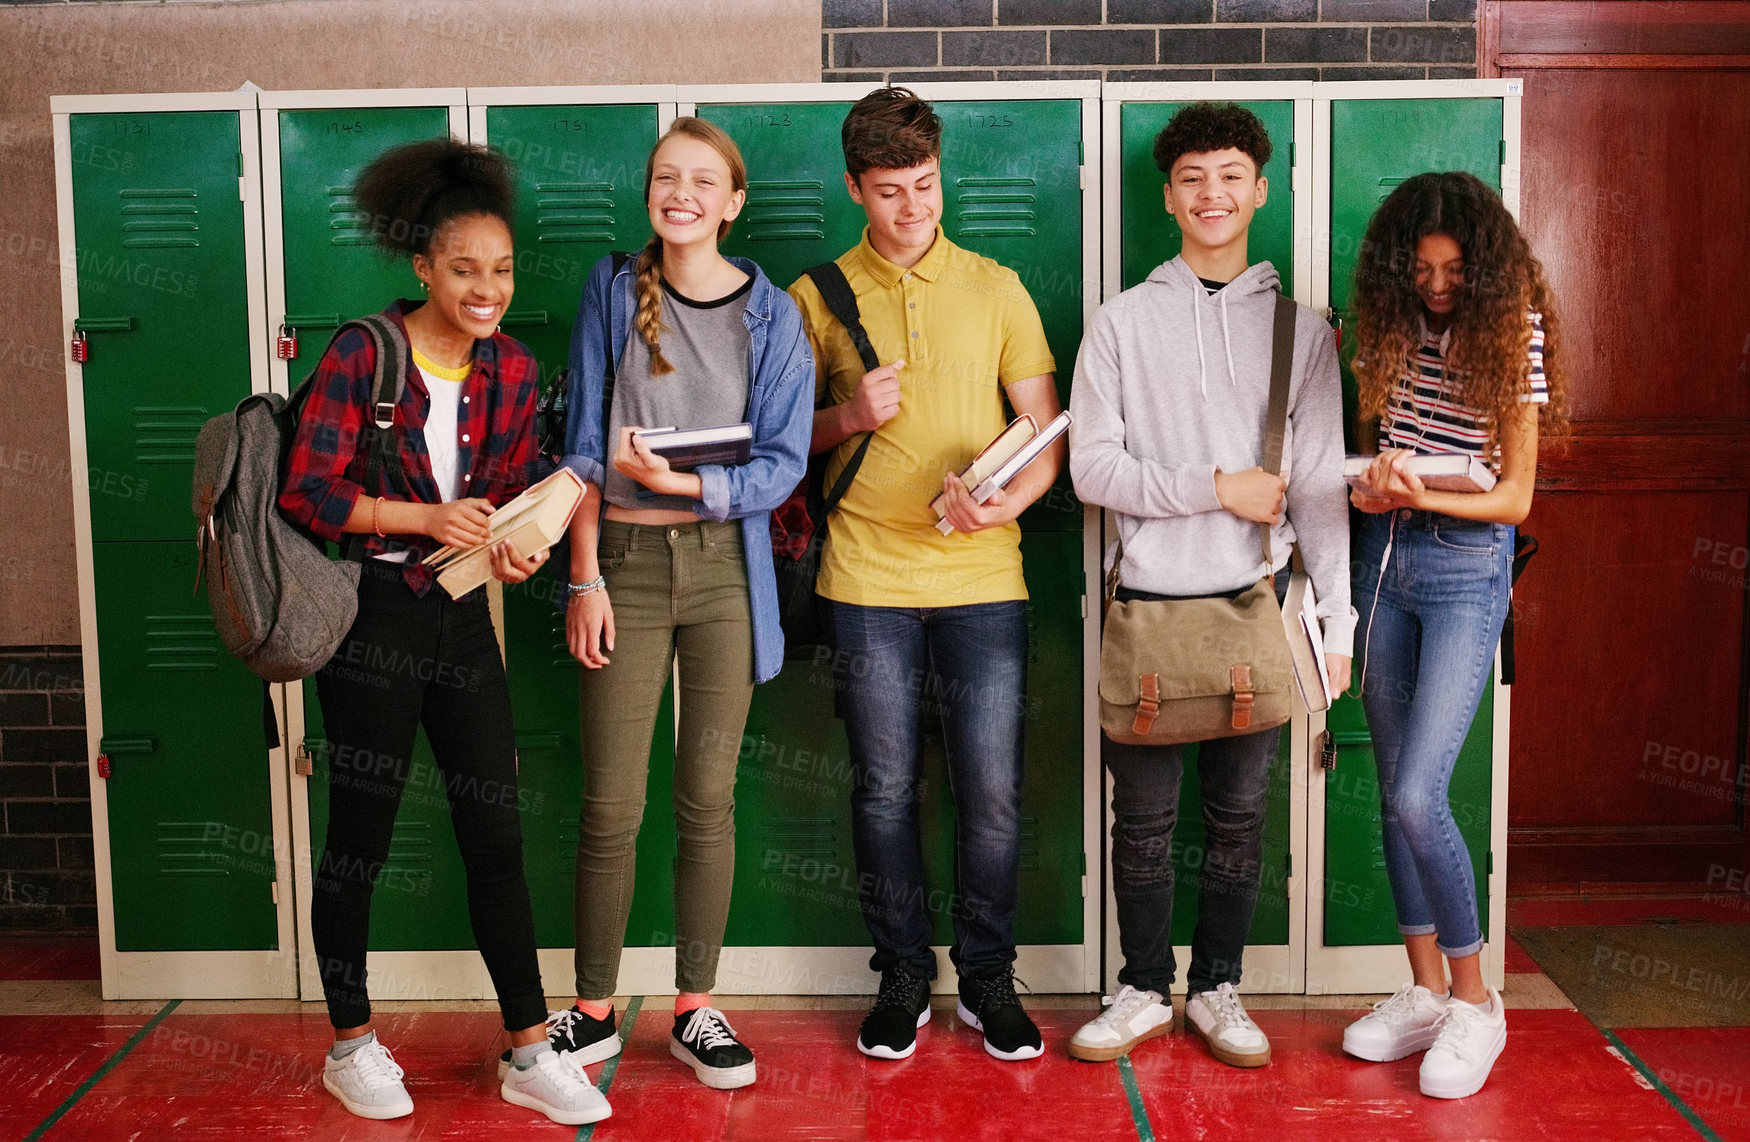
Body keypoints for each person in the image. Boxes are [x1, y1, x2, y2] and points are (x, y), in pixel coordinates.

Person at [279, 138, 608, 1126]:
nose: (486, 288)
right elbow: (308, 491)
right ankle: (350, 1041)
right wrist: (421, 517)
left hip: (460, 611)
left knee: (495, 833)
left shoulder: (509, 368)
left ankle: (526, 1045)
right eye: (463, 268)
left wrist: (520, 546)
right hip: (371, 616)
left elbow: (508, 494)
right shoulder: (361, 352)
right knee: (359, 840)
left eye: (500, 271)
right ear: (422, 266)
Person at [1068, 102, 1354, 1067]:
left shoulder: (1300, 333)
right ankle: (1145, 986)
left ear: (1260, 190)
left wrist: (1342, 622)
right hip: (1147, 609)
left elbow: (1318, 493)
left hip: (1257, 611)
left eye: (1231, 174)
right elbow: (1092, 472)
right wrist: (1215, 489)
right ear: (1168, 196)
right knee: (1142, 823)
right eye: (1193, 177)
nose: (1213, 193)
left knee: (1240, 820)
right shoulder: (1119, 323)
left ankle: (1218, 986)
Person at [791, 86, 1064, 1063]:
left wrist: (1009, 499)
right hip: (864, 581)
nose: (914, 208)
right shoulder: (813, 297)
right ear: (855, 189)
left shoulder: (996, 287)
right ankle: (903, 972)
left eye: (927, 185)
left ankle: (987, 975)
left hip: (984, 578)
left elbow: (1044, 433)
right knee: (882, 789)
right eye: (891, 192)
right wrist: (847, 417)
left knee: (991, 791)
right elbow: (781, 447)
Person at [557, 117, 814, 1091]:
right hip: (620, 561)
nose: (683, 193)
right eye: (668, 177)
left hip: (724, 570)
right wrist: (582, 575)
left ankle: (695, 1005)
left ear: (733, 200)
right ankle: (589, 1011)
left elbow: (782, 465)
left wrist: (681, 487)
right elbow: (584, 444)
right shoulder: (614, 287)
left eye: (704, 180)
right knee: (610, 803)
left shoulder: (774, 313)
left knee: (707, 800)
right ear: (650, 191)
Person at [1339, 170, 1566, 1099]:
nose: (1437, 287)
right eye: (1422, 272)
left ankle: (1477, 1001)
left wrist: (1416, 491)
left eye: (1452, 272)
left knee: (1419, 790)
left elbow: (1513, 497)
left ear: (1485, 267)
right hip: (1383, 561)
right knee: (1394, 788)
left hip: (1467, 569)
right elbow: (1369, 451)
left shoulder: (1513, 331)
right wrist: (1369, 485)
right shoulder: (1389, 328)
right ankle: (1427, 990)